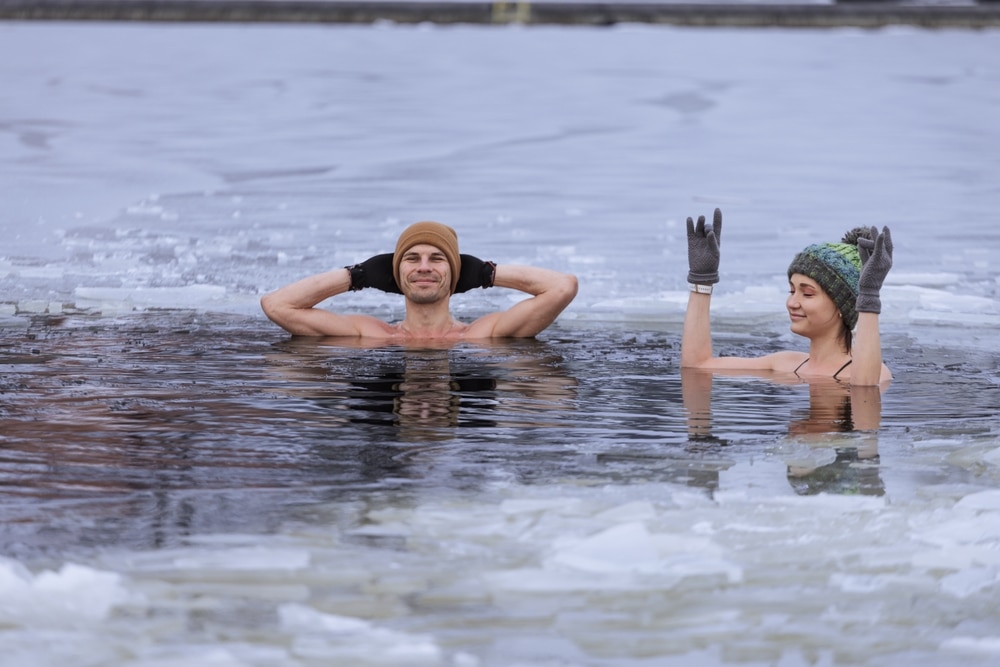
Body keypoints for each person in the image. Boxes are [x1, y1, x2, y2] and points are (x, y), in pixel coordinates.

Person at [261, 221, 578, 340]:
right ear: (395, 273)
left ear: (456, 272)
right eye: (411, 259)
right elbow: (276, 305)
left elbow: (563, 286)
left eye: (437, 259)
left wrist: (486, 273)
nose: (424, 267)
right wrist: (357, 275)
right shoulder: (370, 334)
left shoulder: (483, 334)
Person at [681, 209, 893, 386]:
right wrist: (702, 281)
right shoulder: (784, 364)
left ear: (841, 306)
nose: (792, 303)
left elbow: (865, 392)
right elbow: (697, 366)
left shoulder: (876, 374)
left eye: (807, 293)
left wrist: (868, 295)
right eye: (792, 291)